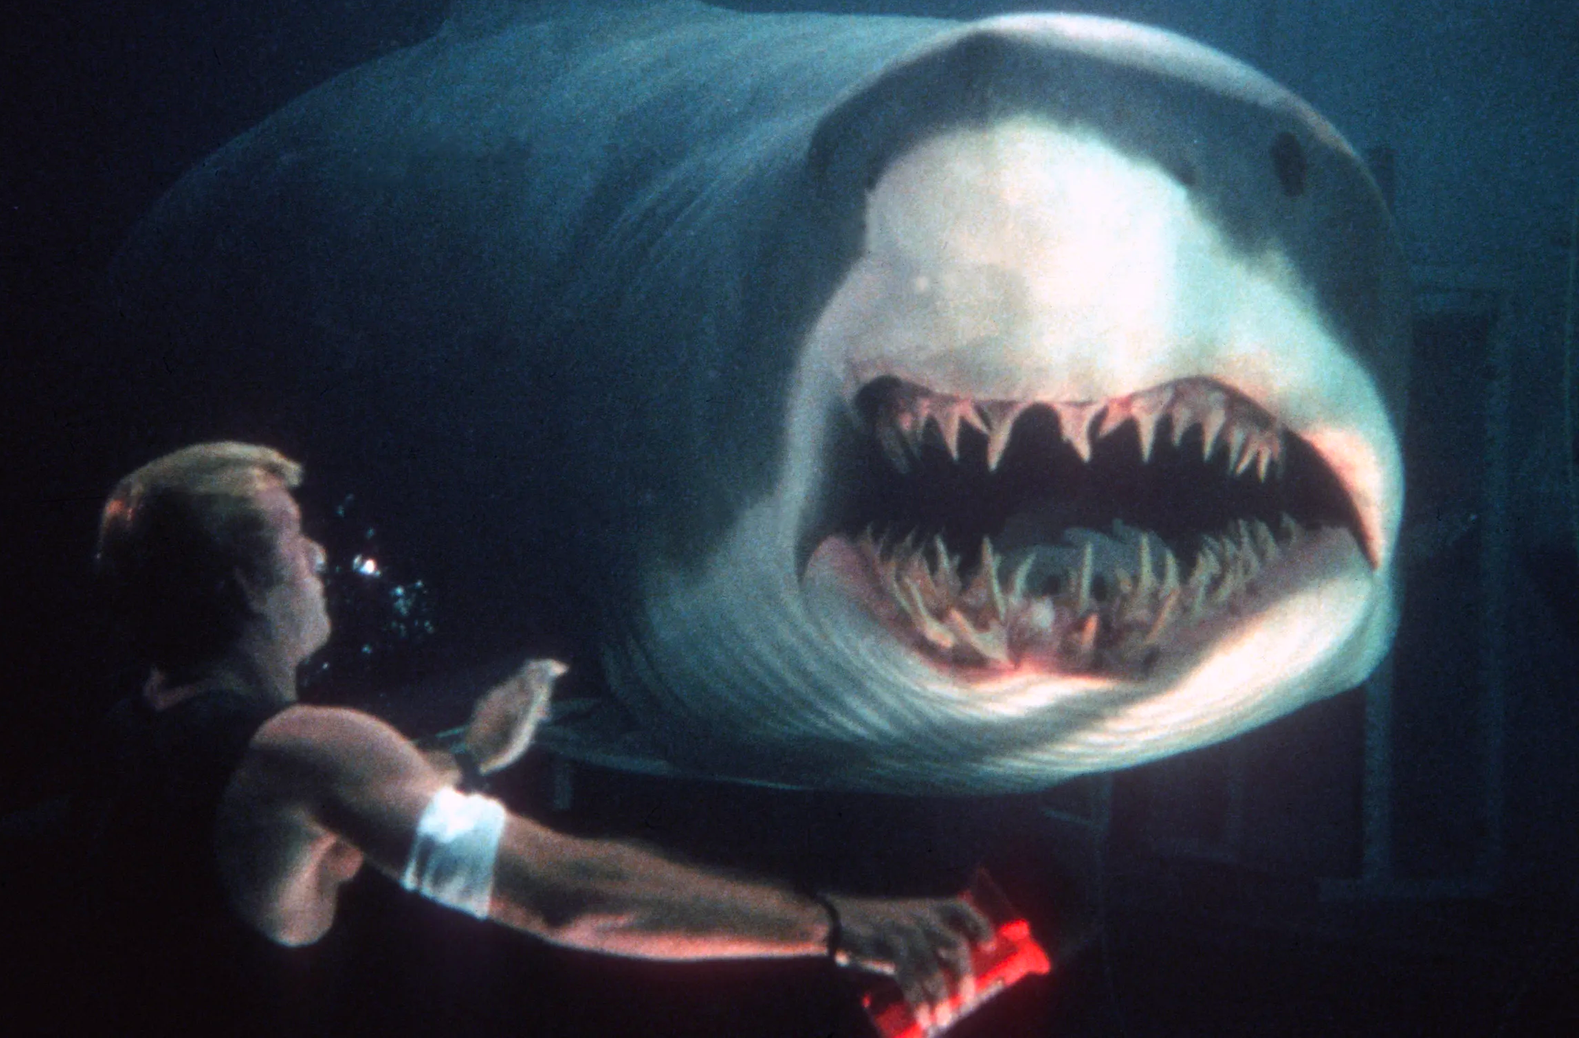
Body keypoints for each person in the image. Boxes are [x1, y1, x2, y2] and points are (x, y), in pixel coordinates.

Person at [77, 441, 990, 1034]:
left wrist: (473, 755)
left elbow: (327, 836)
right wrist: (840, 926)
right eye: (289, 536)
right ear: (245, 583)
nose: (317, 557)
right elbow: (567, 896)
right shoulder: (305, 749)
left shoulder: (141, 725)